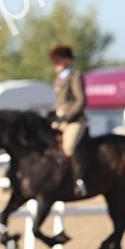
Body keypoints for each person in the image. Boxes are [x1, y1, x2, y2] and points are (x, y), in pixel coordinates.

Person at [49, 43, 89, 197]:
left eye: (58, 62)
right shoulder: (59, 78)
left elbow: (81, 100)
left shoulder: (75, 76)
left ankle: (80, 180)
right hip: (59, 119)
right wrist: (50, 111)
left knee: (69, 147)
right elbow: (60, 102)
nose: (56, 65)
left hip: (74, 120)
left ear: (66, 61)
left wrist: (69, 115)